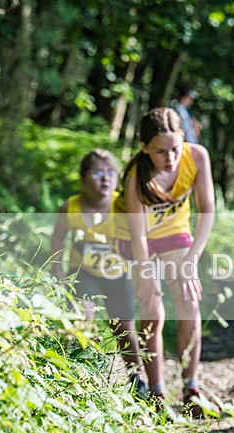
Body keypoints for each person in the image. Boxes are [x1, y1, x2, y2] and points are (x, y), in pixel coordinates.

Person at [112, 107, 215, 416]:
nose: (170, 158)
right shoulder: (135, 179)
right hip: (134, 238)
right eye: (160, 151)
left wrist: (191, 261)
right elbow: (139, 236)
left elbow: (207, 210)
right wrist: (145, 278)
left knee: (188, 298)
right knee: (152, 309)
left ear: (183, 139)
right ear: (144, 148)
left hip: (173, 232)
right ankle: (156, 392)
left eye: (175, 148)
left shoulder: (196, 156)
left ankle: (191, 387)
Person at [49, 149, 146, 396]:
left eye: (111, 172)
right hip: (83, 271)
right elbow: (58, 239)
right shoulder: (69, 207)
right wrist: (58, 272)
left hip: (117, 271)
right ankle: (79, 371)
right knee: (83, 316)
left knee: (123, 327)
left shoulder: (122, 204)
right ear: (83, 180)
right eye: (97, 172)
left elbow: (140, 238)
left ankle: (138, 380)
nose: (105, 178)